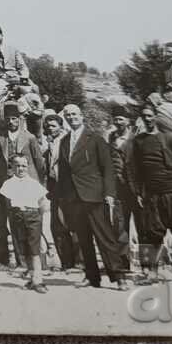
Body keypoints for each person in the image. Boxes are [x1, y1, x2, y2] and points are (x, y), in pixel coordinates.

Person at [55, 104, 129, 290]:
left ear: (81, 116)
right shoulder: (64, 141)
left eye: (75, 114)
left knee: (105, 238)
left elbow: (108, 169)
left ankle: (118, 276)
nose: (72, 117)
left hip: (94, 197)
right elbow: (64, 173)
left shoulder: (95, 139)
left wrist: (110, 194)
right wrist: (64, 198)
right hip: (74, 198)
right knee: (84, 239)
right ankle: (92, 277)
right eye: (68, 115)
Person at [127, 106, 172, 283]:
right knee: (153, 233)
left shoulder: (170, 139)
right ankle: (153, 273)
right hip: (152, 195)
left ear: (156, 117)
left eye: (150, 116)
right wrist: (138, 192)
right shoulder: (138, 141)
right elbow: (134, 169)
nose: (147, 119)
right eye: (144, 116)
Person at [0, 101, 46, 268]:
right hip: (8, 184)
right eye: (8, 119)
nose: (11, 122)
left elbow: (39, 163)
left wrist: (38, 183)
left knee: (30, 222)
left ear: (20, 119)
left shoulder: (29, 137)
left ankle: (36, 262)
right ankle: (19, 261)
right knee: (13, 221)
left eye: (14, 118)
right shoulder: (0, 137)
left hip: (27, 184)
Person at [0, 154, 50, 293]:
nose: (21, 169)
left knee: (34, 249)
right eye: (17, 166)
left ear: (27, 167)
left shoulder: (33, 183)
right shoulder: (8, 184)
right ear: (12, 168)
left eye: (23, 166)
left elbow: (43, 202)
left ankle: (38, 281)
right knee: (24, 249)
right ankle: (33, 277)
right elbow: (7, 203)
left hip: (32, 216)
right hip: (17, 218)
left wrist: (37, 216)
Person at [39, 112, 77, 270]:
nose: (50, 128)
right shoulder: (49, 143)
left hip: (67, 186)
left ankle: (77, 261)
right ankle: (66, 261)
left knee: (70, 223)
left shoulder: (66, 141)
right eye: (48, 126)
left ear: (61, 127)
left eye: (53, 126)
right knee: (57, 225)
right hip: (54, 187)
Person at [106, 105, 138, 270]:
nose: (118, 122)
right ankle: (123, 263)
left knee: (144, 227)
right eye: (116, 119)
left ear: (128, 121)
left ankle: (149, 265)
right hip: (119, 190)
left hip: (138, 191)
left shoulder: (137, 138)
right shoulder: (111, 138)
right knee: (119, 225)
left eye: (121, 119)